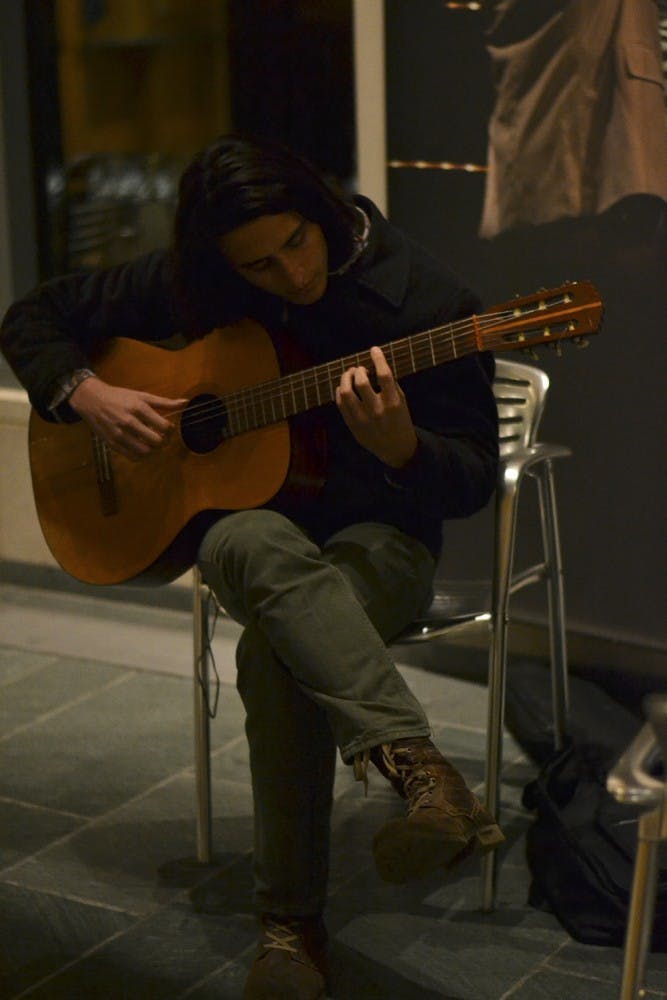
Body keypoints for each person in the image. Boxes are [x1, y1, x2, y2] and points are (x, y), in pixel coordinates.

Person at [1, 134, 503, 1000]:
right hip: (258, 533)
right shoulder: (214, 280)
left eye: (296, 246)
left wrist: (401, 446)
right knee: (239, 540)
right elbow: (30, 317)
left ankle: (289, 927)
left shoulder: (426, 305)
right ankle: (417, 763)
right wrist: (90, 393)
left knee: (275, 653)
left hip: (382, 542)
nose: (289, 276)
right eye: (258, 267)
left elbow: (466, 484)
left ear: (320, 210)